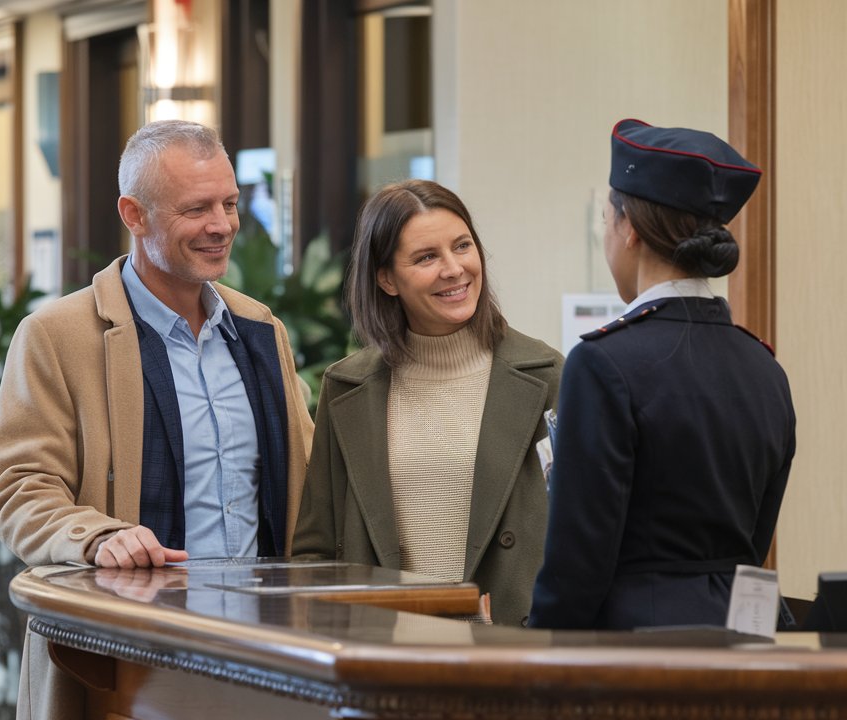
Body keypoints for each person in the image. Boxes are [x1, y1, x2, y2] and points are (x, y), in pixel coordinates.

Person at [0, 120, 314, 720]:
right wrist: (97, 536)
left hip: (263, 657)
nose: (222, 224)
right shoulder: (57, 336)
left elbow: (308, 481)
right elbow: (19, 489)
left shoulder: (261, 330)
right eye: (197, 208)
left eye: (230, 203)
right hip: (129, 662)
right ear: (133, 214)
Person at [528, 119, 796, 630]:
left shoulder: (603, 363)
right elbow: (756, 540)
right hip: (749, 639)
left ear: (628, 228)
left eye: (606, 219)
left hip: (637, 652)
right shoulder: (765, 368)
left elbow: (577, 562)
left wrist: (541, 663)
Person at [292, 180, 563, 625]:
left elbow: (583, 535)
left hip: (511, 656)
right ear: (386, 279)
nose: (454, 269)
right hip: (383, 657)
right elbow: (314, 553)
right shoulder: (346, 388)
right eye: (426, 257)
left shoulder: (548, 375)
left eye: (462, 246)